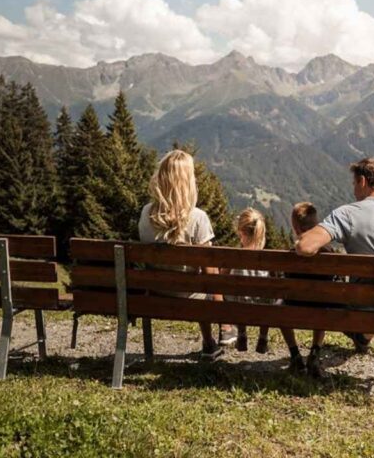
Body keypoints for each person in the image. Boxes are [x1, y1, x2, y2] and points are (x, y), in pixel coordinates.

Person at [295, 157, 374, 352]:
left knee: (330, 296)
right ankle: (364, 336)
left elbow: (305, 247)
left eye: (354, 183)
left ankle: (362, 335)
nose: (353, 189)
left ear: (362, 181)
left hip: (363, 311)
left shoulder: (346, 214)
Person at [137, 149, 224, 360]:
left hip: (155, 294)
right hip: (190, 298)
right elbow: (209, 270)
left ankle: (208, 343)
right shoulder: (198, 218)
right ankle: (209, 342)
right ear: (188, 181)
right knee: (209, 284)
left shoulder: (146, 212)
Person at [280, 202, 333, 377]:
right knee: (325, 300)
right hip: (322, 311)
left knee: (279, 305)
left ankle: (295, 355)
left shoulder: (290, 255)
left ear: (295, 227)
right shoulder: (329, 254)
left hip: (294, 307)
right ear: (317, 225)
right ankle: (315, 352)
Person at [231, 208, 272, 354]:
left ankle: (241, 334)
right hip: (263, 305)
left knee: (236, 295)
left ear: (241, 232)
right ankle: (263, 337)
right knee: (269, 297)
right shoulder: (268, 261)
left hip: (240, 304)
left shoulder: (235, 257)